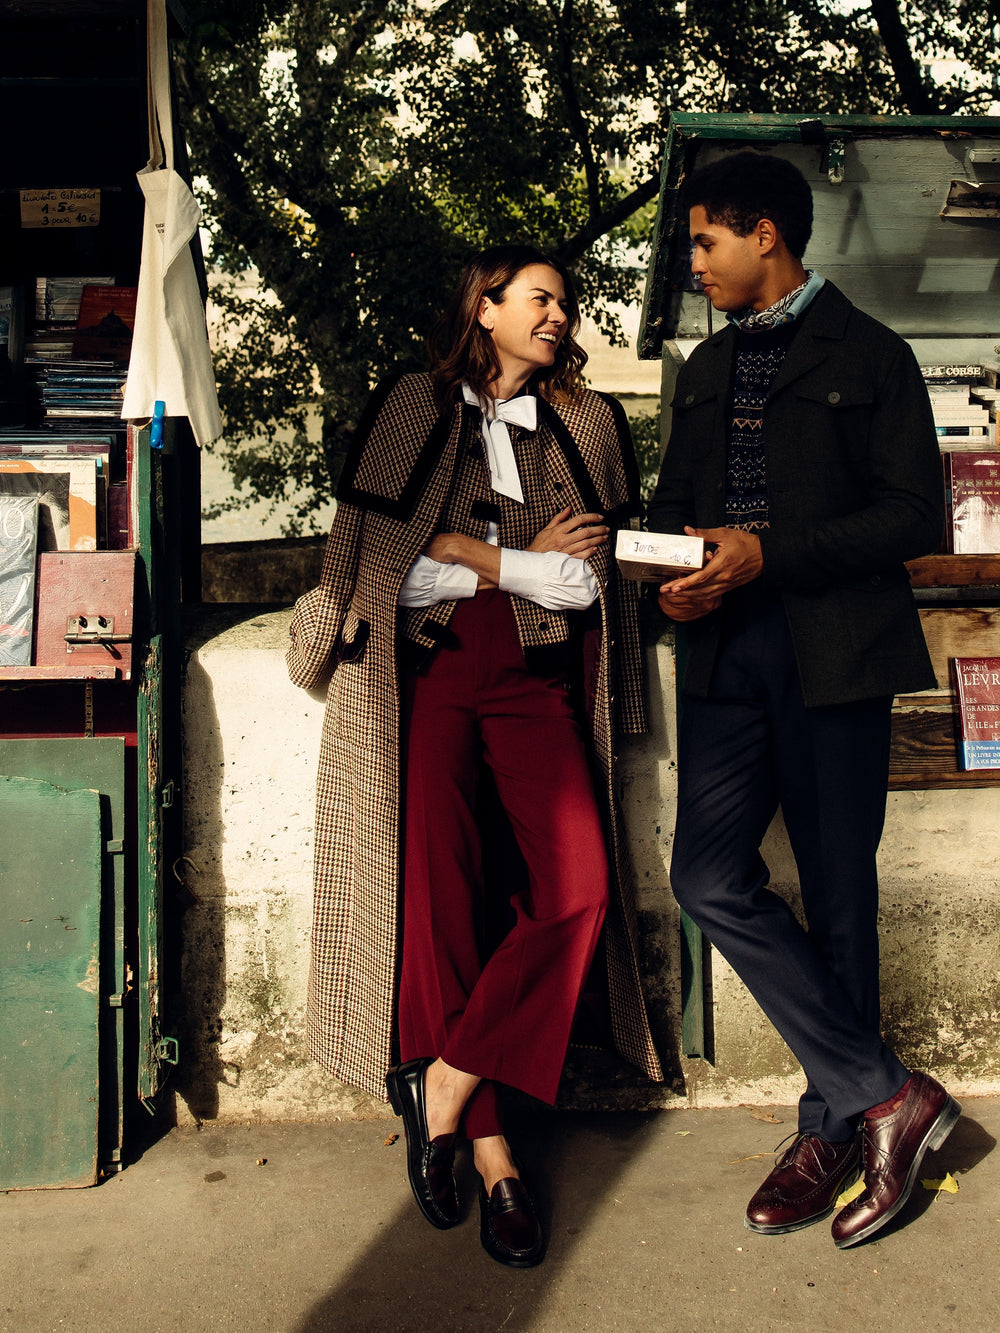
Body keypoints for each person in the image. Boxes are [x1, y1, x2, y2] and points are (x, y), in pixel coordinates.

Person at [287, 244, 662, 1267]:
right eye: (540, 297)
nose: (559, 314)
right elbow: (388, 573)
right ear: (484, 307)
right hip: (427, 678)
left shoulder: (588, 421)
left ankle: (444, 1079)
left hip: (538, 681)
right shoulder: (412, 405)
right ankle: (495, 1161)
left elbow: (587, 585)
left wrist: (468, 553)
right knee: (440, 908)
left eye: (565, 301)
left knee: (578, 887)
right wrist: (516, 563)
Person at [647, 152, 960, 1249]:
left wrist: (765, 553)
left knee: (838, 896)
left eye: (705, 241)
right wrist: (671, 579)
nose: (694, 263)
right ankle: (886, 1094)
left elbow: (913, 516)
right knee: (704, 875)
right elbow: (673, 507)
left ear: (765, 235)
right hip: (722, 655)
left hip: (835, 654)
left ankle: (832, 1129)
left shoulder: (873, 353)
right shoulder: (701, 366)